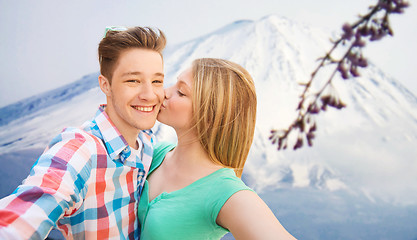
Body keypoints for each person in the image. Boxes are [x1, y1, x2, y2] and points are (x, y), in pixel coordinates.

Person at [0, 26, 166, 239]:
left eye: (157, 81)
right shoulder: (81, 149)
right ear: (105, 85)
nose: (149, 94)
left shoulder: (147, 145)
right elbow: (31, 207)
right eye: (133, 80)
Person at [138, 58, 297, 239]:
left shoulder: (225, 193)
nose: (164, 93)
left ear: (210, 115)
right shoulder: (155, 154)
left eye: (181, 92)